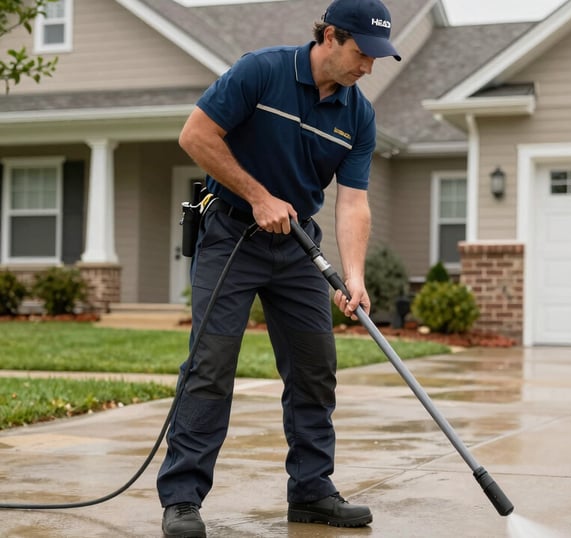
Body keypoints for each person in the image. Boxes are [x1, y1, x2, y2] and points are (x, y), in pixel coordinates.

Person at [157, 0, 401, 536]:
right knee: (212, 364)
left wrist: (354, 276)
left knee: (315, 369)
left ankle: (312, 491)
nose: (368, 67)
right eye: (362, 53)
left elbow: (353, 201)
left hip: (297, 245)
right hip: (229, 232)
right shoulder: (262, 71)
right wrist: (259, 195)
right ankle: (182, 498)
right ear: (331, 36)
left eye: (377, 58)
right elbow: (195, 136)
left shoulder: (358, 114)